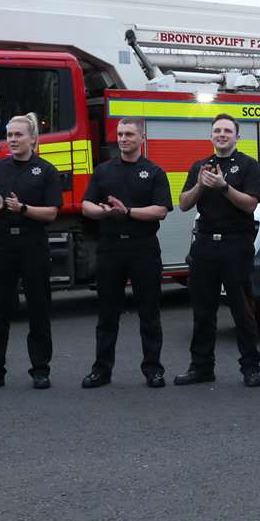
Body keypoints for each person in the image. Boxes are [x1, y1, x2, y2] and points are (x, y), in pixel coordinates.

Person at [81, 117, 172, 388]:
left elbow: (161, 210)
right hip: (110, 248)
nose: (123, 139)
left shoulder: (154, 171)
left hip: (142, 247)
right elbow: (86, 205)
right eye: (120, 134)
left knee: (149, 312)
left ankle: (153, 369)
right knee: (107, 313)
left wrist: (127, 212)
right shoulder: (104, 171)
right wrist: (103, 212)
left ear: (141, 138)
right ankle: (101, 370)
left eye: (129, 134)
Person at [0, 113, 63, 391]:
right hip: (2, 245)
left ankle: (40, 370)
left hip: (33, 244)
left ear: (33, 139)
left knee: (38, 308)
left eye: (18, 135)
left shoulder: (46, 170)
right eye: (9, 135)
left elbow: (51, 213)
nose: (12, 140)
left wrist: (22, 209)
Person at [176, 113, 260, 388]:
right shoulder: (200, 166)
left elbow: (250, 205)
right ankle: (201, 367)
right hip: (204, 245)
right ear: (211, 135)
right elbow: (183, 204)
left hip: (235, 244)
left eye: (227, 131)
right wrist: (201, 185)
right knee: (203, 311)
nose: (222, 135)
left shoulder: (249, 166)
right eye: (217, 131)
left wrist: (225, 187)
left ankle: (250, 368)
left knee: (242, 309)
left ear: (238, 136)